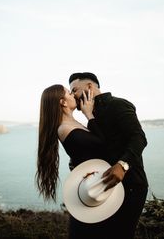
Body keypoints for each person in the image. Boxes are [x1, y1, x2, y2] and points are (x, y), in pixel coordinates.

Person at [69, 72, 148, 239]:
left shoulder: (118, 105)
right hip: (106, 187)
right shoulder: (90, 113)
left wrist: (122, 165)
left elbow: (139, 137)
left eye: (74, 90)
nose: (72, 95)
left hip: (131, 185)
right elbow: (102, 147)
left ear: (90, 86)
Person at [36, 84, 111, 239]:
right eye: (69, 93)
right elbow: (102, 145)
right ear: (63, 102)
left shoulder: (73, 124)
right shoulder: (64, 128)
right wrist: (89, 114)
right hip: (89, 188)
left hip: (94, 182)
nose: (73, 95)